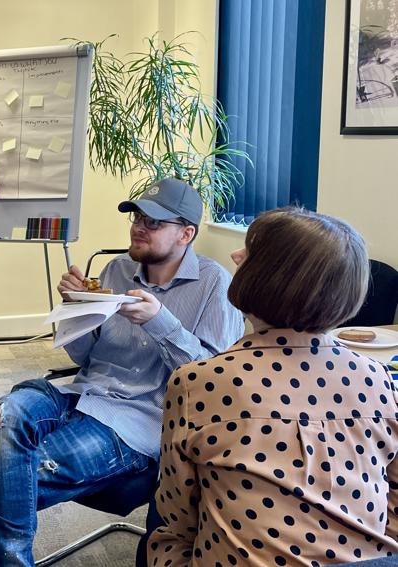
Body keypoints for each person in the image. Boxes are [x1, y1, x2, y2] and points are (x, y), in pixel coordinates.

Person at [0, 178, 245, 566]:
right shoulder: (116, 270)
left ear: (186, 233)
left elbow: (211, 382)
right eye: (137, 218)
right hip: (79, 393)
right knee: (10, 411)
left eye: (153, 222)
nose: (138, 228)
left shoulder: (215, 284)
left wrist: (159, 321)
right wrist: (75, 309)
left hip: (134, 421)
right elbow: (85, 356)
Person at [149, 207, 398, 566]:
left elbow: (179, 517)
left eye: (250, 250)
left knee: (160, 524)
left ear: (273, 277)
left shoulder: (198, 382)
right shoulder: (378, 378)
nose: (235, 255)